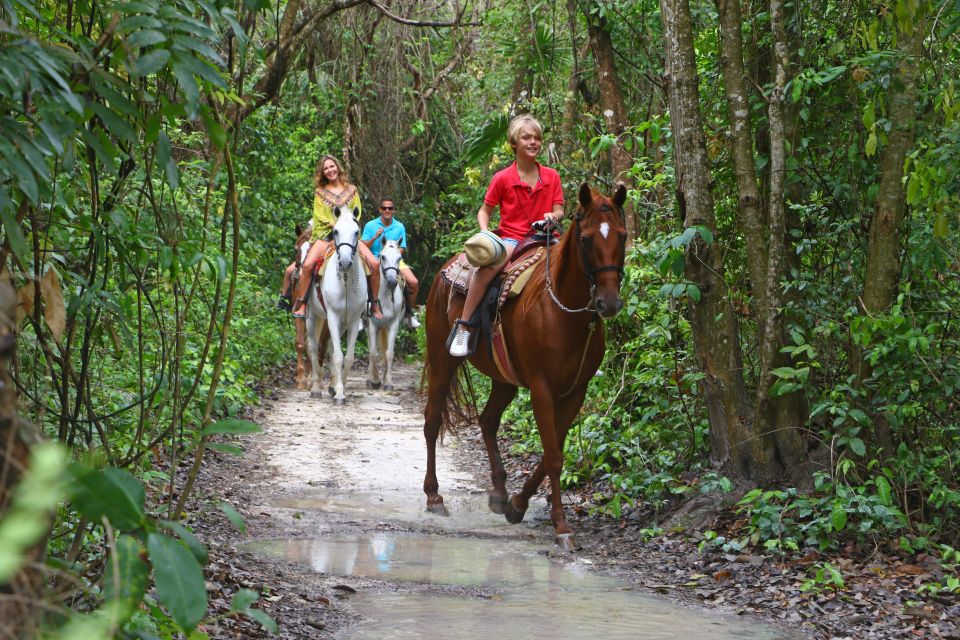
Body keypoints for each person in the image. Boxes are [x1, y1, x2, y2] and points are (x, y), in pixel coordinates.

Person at [448, 115, 564, 357]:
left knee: (577, 264)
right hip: (513, 239)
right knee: (487, 270)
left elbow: (559, 209)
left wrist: (553, 217)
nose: (533, 142)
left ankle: (579, 334)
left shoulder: (551, 176)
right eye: (526, 137)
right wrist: (484, 232)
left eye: (537, 138)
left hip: (545, 237)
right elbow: (485, 210)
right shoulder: (502, 178)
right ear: (514, 143)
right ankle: (465, 326)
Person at [289, 155, 383, 320]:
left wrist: (346, 225)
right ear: (322, 173)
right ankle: (303, 303)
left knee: (374, 264)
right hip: (326, 235)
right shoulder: (320, 193)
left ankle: (373, 304)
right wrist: (335, 224)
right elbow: (319, 216)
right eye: (326, 169)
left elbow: (357, 212)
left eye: (332, 167)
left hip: (348, 235)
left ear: (337, 167)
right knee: (308, 265)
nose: (330, 170)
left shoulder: (352, 190)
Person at [361, 197, 421, 329]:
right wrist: (375, 237)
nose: (387, 210)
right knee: (360, 279)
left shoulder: (399, 226)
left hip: (393, 261)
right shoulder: (370, 225)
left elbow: (402, 248)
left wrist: (391, 253)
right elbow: (363, 245)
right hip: (373, 259)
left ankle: (408, 315)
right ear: (380, 209)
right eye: (384, 208)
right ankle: (361, 315)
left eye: (390, 208)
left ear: (393, 210)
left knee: (414, 283)